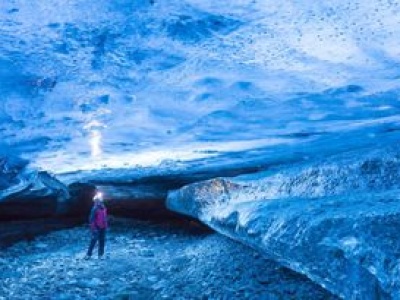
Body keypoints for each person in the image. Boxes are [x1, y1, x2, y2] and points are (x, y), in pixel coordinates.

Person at [84, 191, 108, 259]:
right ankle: (88, 255)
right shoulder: (94, 209)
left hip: (103, 227)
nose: (99, 201)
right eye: (98, 200)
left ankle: (101, 255)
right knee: (94, 240)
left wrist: (106, 225)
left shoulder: (103, 207)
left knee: (102, 240)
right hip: (97, 227)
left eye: (100, 200)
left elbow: (104, 217)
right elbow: (91, 220)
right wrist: (94, 229)